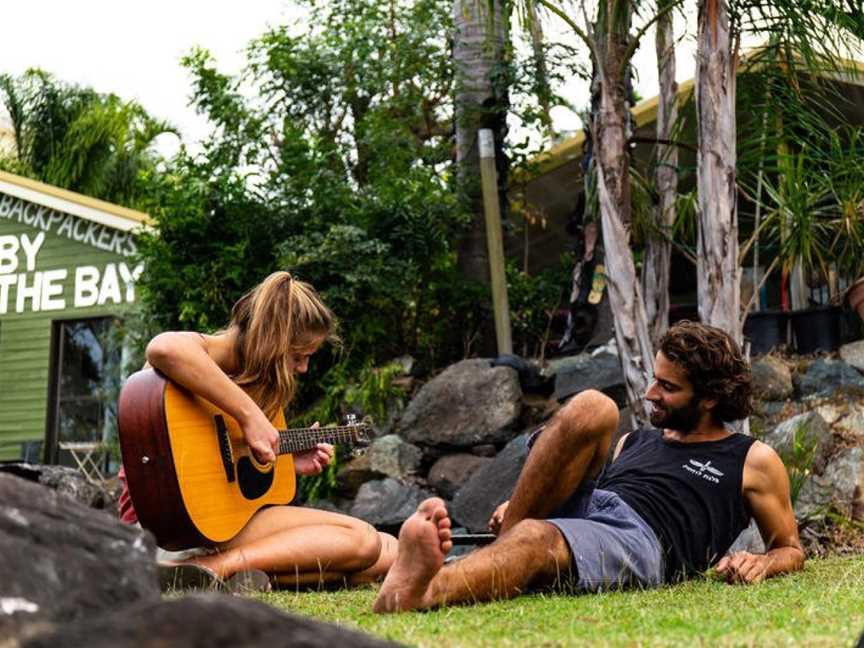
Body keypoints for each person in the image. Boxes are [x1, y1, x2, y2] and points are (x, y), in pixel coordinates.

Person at [373, 321, 804, 612]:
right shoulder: (636, 440)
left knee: (535, 538)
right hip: (593, 507)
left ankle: (427, 590)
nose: (651, 393)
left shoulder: (751, 458)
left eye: (668, 387)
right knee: (594, 407)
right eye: (653, 377)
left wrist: (763, 563)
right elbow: (579, 487)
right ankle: (509, 535)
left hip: (642, 538)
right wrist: (523, 501)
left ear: (709, 398)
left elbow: (790, 547)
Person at [117, 271, 396, 590]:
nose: (302, 368)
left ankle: (220, 575)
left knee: (390, 550)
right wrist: (250, 417)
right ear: (273, 340)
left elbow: (227, 469)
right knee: (362, 542)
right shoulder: (195, 357)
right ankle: (209, 568)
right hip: (173, 530)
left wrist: (286, 461)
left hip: (221, 524)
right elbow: (163, 347)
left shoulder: (257, 387)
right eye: (297, 356)